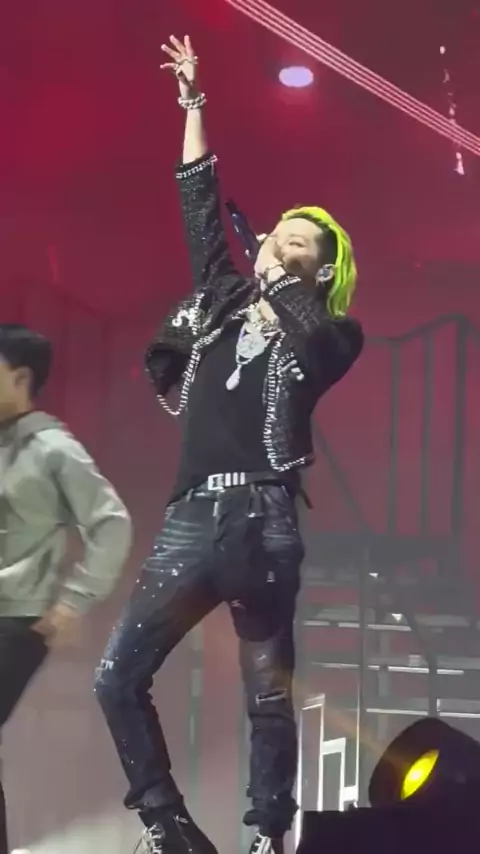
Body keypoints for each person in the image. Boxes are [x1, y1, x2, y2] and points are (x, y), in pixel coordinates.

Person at [94, 34, 363, 854]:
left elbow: (313, 338)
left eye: (298, 241)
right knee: (117, 676)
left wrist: (281, 285)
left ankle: (268, 834)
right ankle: (168, 823)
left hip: (263, 519)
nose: (278, 240)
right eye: (277, 232)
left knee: (267, 697)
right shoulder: (221, 301)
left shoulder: (333, 332)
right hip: (190, 520)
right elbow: (199, 203)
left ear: (322, 269)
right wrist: (193, 103)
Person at [0, 323, 132, 854]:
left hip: (17, 619)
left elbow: (111, 523)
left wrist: (74, 601)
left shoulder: (53, 447)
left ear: (20, 378)